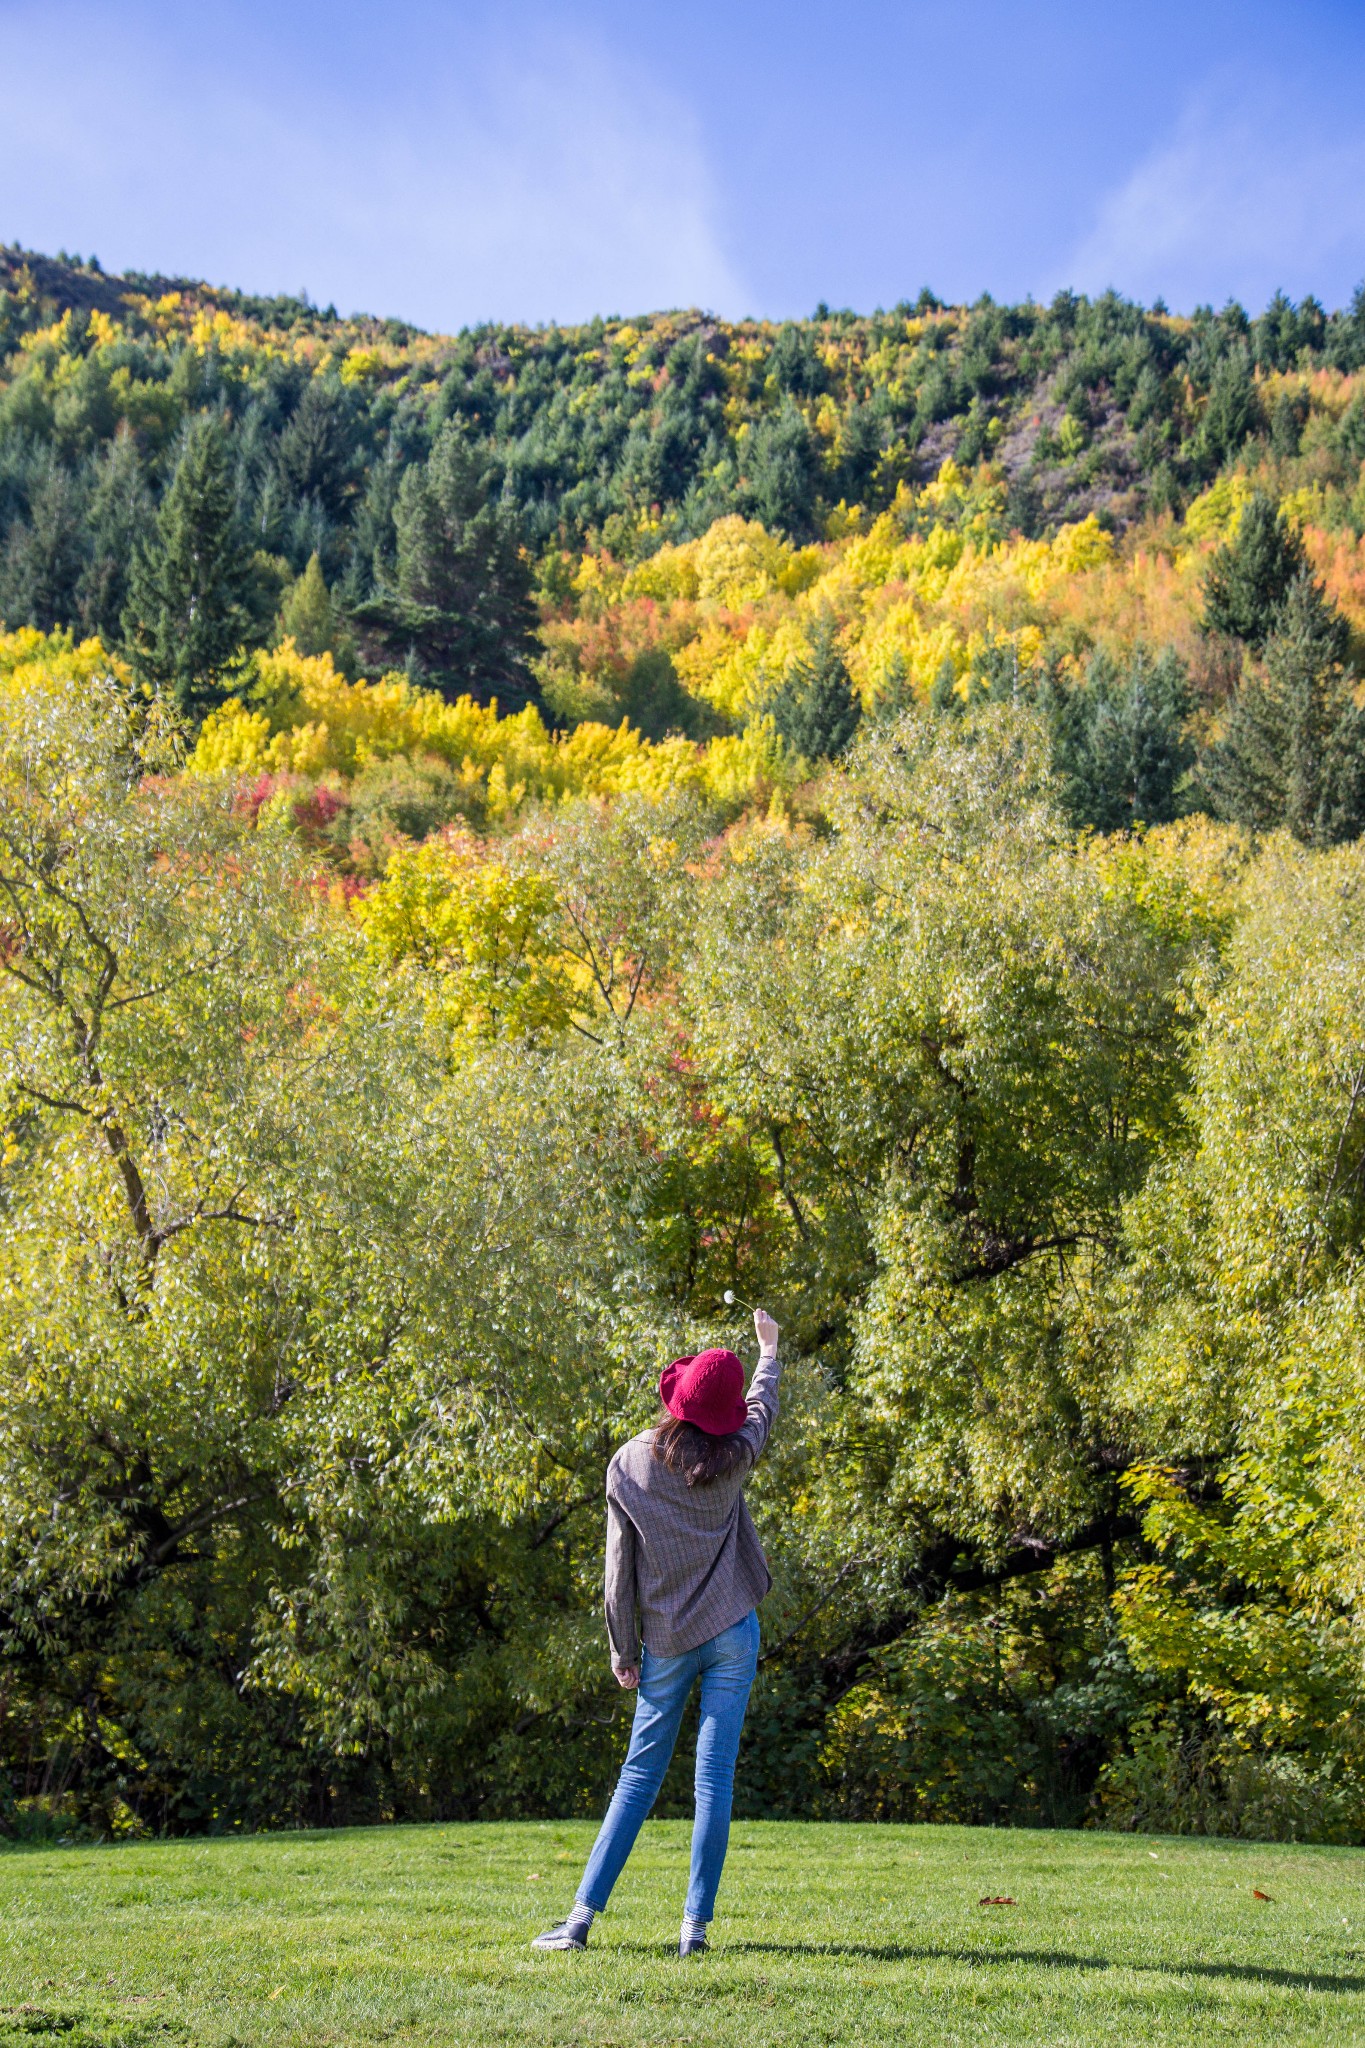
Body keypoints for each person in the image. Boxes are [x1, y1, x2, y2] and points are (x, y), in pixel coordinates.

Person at [533, 1306, 782, 1958]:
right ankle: (691, 1934)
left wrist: (621, 1648)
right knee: (713, 1784)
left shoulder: (627, 1466)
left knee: (637, 1780)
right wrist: (769, 1351)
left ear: (674, 1402)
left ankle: (579, 1922)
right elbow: (761, 1409)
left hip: (665, 1641)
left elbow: (618, 1572)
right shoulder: (736, 1458)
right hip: (732, 1629)